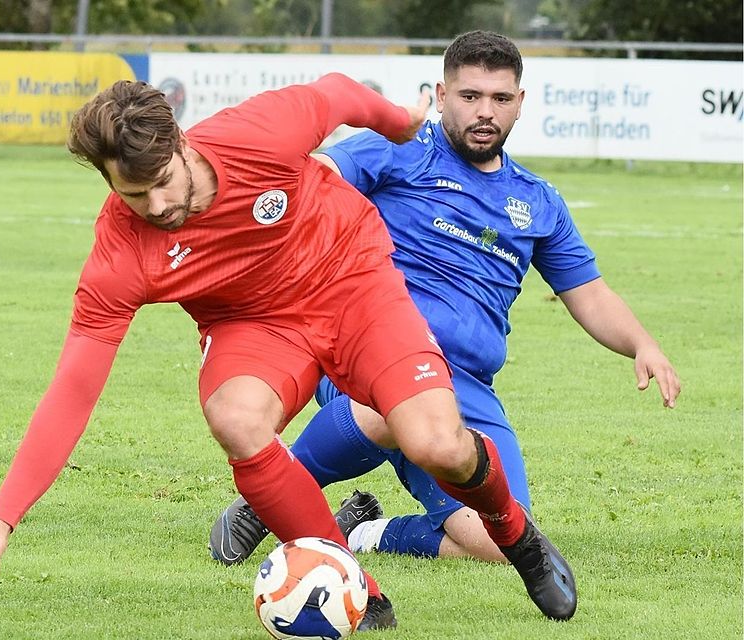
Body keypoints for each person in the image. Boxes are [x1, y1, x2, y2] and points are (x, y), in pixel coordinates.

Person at [0, 72, 578, 626]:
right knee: (235, 418)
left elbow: (340, 93)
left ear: (179, 143)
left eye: (163, 181)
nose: (158, 204)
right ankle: (358, 591)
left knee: (439, 445)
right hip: (253, 324)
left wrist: (400, 123)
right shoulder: (120, 254)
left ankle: (519, 539)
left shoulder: (256, 134)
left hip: (352, 282)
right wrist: (0, 523)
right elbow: (72, 391)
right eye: (133, 193)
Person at [210, 30, 680, 570]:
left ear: (520, 104)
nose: (485, 112)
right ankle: (267, 498)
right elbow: (317, 179)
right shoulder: (397, 149)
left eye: (500, 99)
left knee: (500, 543)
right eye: (470, 96)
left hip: (468, 389)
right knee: (391, 400)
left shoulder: (537, 201)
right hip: (369, 360)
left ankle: (366, 532)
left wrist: (643, 344)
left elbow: (589, 293)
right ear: (440, 95)